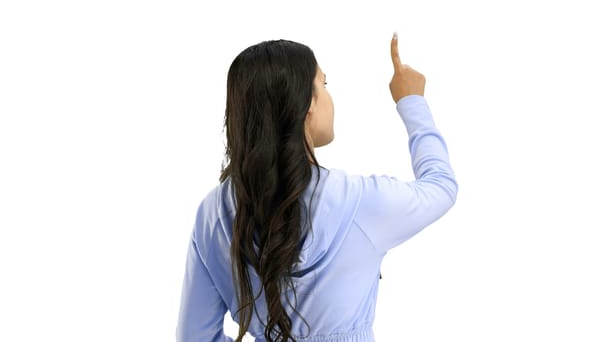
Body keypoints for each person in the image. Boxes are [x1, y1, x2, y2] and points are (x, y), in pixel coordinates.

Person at [176, 33, 458, 342]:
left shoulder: (214, 213)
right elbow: (441, 187)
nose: (328, 96)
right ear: (307, 103)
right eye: (323, 85)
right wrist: (411, 100)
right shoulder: (360, 204)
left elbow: (194, 336)